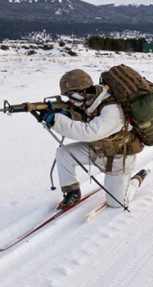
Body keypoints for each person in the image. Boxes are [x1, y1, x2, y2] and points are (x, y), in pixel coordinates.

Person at [39, 69, 146, 208]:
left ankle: (136, 180)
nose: (70, 100)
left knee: (118, 203)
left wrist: (56, 120)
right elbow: (82, 117)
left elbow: (89, 132)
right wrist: (65, 114)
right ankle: (72, 192)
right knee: (63, 153)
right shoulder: (88, 101)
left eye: (71, 95)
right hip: (98, 150)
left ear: (83, 91)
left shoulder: (112, 109)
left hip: (118, 158)